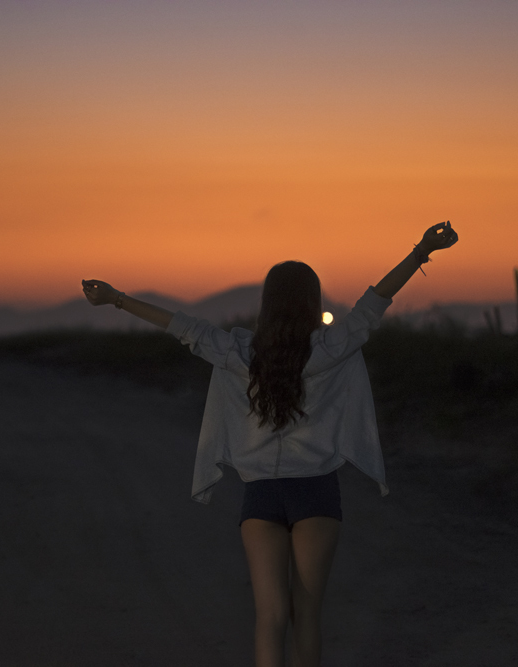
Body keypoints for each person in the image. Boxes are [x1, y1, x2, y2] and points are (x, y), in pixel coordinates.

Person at [82, 221, 458, 667]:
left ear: (268, 303)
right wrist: (421, 251)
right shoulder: (331, 347)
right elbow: (373, 303)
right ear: (311, 302)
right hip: (316, 492)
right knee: (307, 614)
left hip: (261, 496)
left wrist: (115, 299)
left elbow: (181, 326)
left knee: (271, 616)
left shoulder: (237, 352)